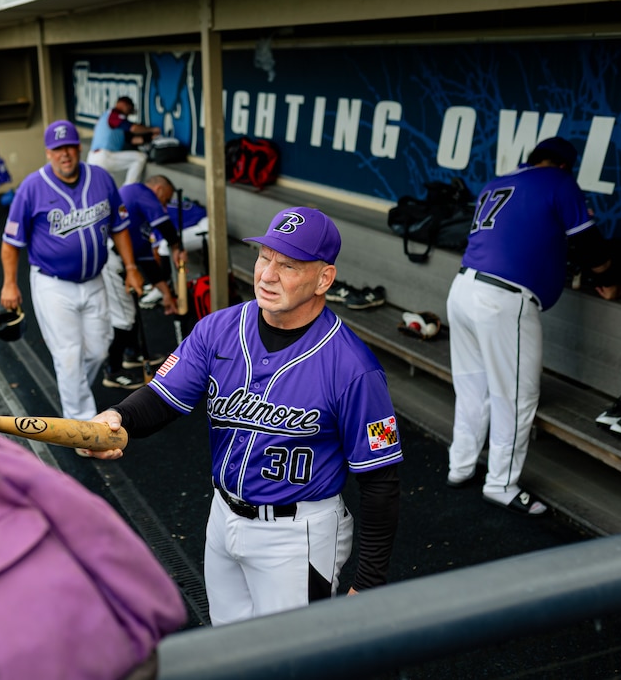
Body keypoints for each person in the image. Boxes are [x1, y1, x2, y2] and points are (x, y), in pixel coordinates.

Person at [82, 207, 403, 625]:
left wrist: (371, 581)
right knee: (230, 650)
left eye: (288, 265)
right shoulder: (218, 329)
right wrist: (117, 419)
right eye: (265, 257)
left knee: (291, 663)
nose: (268, 275)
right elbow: (162, 398)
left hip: (297, 535)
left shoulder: (353, 368)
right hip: (223, 518)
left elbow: (380, 481)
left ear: (324, 278)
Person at [446, 136, 611, 515]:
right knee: (516, 396)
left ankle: (460, 466)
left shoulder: (497, 182)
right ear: (563, 165)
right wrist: (608, 274)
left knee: (473, 387)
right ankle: (501, 484)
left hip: (463, 289)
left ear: (533, 159)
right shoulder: (559, 181)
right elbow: (592, 251)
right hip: (503, 301)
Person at [0, 120, 143, 420]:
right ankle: (80, 425)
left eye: (69, 147)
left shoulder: (101, 179)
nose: (64, 154)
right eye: (57, 149)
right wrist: (9, 284)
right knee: (68, 356)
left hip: (95, 280)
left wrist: (130, 267)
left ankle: (75, 391)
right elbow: (11, 242)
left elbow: (120, 227)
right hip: (53, 285)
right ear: (48, 153)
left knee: (98, 351)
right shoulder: (32, 188)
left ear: (79, 148)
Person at [101, 174, 183, 389]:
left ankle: (132, 353)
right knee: (124, 318)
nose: (163, 205)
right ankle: (113, 370)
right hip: (111, 260)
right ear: (158, 189)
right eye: (165, 199)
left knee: (131, 311)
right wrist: (176, 247)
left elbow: (148, 264)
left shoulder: (141, 220)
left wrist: (166, 295)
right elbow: (165, 226)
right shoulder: (139, 191)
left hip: (121, 261)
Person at [87, 96, 160, 186]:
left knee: (105, 190)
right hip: (103, 156)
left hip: (93, 159)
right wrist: (152, 130)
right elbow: (133, 128)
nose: (129, 112)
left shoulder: (111, 120)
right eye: (129, 108)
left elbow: (133, 140)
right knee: (140, 157)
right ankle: (129, 189)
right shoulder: (113, 114)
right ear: (123, 105)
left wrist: (151, 137)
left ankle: (125, 191)